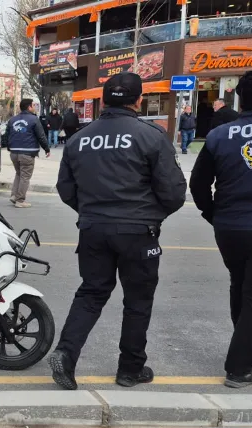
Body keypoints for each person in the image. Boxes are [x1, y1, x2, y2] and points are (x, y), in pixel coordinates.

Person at [49, 72, 187, 390]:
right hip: (138, 231)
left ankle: (66, 354)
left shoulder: (79, 139)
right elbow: (173, 192)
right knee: (137, 300)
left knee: (91, 292)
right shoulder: (151, 136)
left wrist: (91, 213)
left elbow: (66, 189)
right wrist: (151, 216)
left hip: (93, 228)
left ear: (103, 100)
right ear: (139, 100)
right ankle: (130, 369)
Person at [189, 70, 252, 388]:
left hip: (230, 227)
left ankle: (244, 348)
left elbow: (198, 183)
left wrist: (213, 214)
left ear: (241, 102)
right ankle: (240, 367)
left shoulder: (220, 135)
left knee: (241, 286)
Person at [2, 98, 51, 209]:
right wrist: (46, 149)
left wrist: (9, 148)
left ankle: (14, 196)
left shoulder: (12, 119)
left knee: (19, 174)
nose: (34, 107)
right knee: (25, 177)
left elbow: (6, 136)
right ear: (29, 107)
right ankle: (20, 200)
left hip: (14, 152)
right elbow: (41, 136)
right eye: (33, 105)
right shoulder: (34, 119)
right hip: (27, 153)